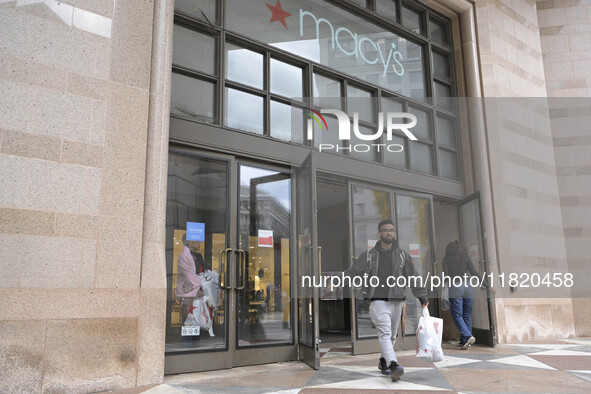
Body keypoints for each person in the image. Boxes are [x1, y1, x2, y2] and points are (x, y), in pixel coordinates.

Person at [344, 219, 429, 382]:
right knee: (384, 332)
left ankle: (383, 361)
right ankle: (393, 366)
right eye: (385, 230)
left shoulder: (403, 255)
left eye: (391, 230)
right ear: (379, 233)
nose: (388, 233)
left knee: (391, 336)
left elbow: (413, 277)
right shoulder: (369, 255)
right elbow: (352, 271)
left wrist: (422, 296)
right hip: (377, 299)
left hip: (397, 299)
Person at [442, 240, 495, 349]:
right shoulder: (466, 258)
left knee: (457, 315)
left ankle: (467, 335)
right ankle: (465, 341)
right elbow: (474, 273)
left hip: (455, 286)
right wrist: (488, 286)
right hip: (467, 286)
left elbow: (446, 277)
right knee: (467, 315)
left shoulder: (446, 259)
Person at [176, 235, 209, 327]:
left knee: (199, 319)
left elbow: (203, 272)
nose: (199, 243)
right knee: (188, 320)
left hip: (199, 292)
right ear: (188, 241)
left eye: (200, 241)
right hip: (190, 292)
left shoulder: (199, 256)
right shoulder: (184, 256)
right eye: (196, 241)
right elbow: (188, 275)